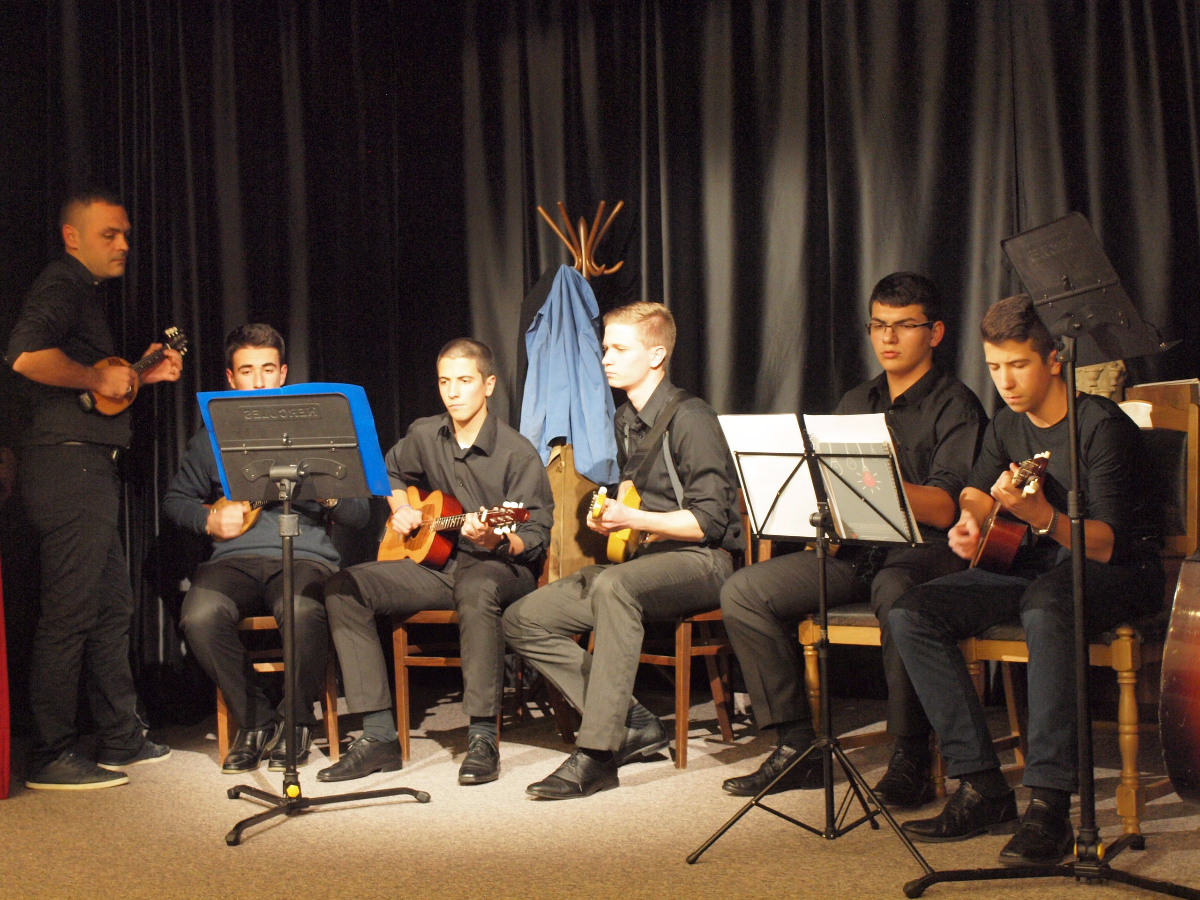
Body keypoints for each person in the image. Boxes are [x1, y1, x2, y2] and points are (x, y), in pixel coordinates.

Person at [890, 294, 1163, 865]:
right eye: (994, 366)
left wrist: (1042, 517)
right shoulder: (1008, 424)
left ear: (1054, 359)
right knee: (912, 611)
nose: (1005, 381)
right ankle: (982, 787)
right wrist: (971, 520)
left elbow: (1106, 543)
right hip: (1037, 569)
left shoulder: (1100, 425)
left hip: (1118, 572)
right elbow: (976, 488)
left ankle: (1049, 806)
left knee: (1045, 604)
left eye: (1018, 364)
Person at [718, 273, 987, 804]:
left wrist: (875, 482)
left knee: (896, 592)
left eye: (903, 326)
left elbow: (945, 505)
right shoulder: (856, 399)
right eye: (878, 325)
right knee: (744, 592)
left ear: (934, 333)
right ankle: (797, 745)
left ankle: (911, 753)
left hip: (924, 552)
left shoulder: (956, 403)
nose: (888, 337)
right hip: (854, 550)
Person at [503, 301, 744, 800]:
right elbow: (636, 500)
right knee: (523, 618)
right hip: (646, 563)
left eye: (618, 349)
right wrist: (610, 516)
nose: (606, 359)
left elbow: (709, 522)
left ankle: (597, 753)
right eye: (605, 348)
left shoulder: (692, 417)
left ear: (656, 355)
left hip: (705, 562)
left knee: (614, 586)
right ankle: (632, 721)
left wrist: (632, 519)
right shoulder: (625, 419)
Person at [5, 191, 183, 790]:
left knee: (111, 609)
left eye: (126, 233)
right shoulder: (61, 284)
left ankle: (120, 737)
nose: (124, 244)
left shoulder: (83, 293)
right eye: (110, 234)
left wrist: (137, 375)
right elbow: (24, 356)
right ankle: (50, 753)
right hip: (66, 469)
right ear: (72, 237)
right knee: (71, 613)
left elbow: (90, 394)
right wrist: (94, 375)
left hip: (86, 466)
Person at [318, 338, 553, 786]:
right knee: (343, 587)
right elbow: (388, 470)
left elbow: (536, 534)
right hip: (440, 565)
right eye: (445, 382)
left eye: (464, 381)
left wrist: (497, 538)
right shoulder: (426, 434)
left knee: (477, 587)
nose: (453, 392)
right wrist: (402, 508)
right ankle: (378, 736)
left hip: (502, 567)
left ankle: (482, 736)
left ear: (488, 385)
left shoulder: (517, 453)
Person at [162, 324, 369, 773]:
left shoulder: (319, 430)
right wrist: (208, 519)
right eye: (247, 371)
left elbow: (359, 514)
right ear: (230, 378)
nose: (258, 381)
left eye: (268, 369)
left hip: (305, 555)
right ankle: (256, 720)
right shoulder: (211, 436)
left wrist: (325, 493)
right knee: (199, 617)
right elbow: (176, 500)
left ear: (284, 374)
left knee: (302, 611)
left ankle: (296, 721)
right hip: (232, 560)